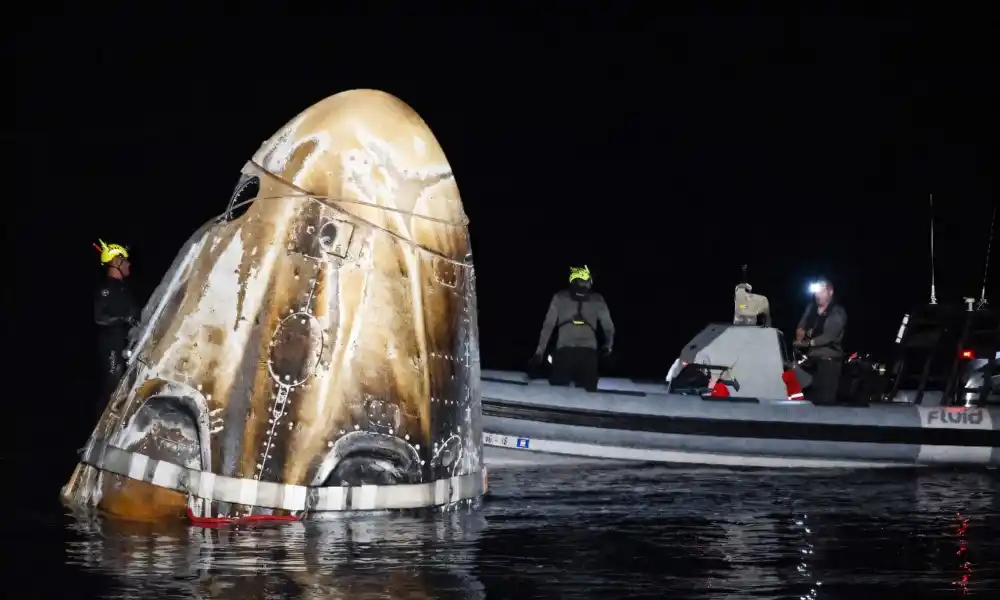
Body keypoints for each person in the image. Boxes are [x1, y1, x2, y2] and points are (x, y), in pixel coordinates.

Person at [531, 265, 615, 392]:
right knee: (588, 397)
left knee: (558, 394)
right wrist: (608, 346)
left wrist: (539, 352)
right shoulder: (597, 300)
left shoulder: (560, 297)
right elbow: (609, 327)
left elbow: (548, 326)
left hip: (564, 351)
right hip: (588, 353)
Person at [93, 239, 140, 404]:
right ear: (115, 262)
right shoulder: (106, 289)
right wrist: (123, 319)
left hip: (126, 343)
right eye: (124, 260)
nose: (128, 264)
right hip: (112, 346)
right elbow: (99, 317)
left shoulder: (125, 289)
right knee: (115, 380)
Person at [793, 278, 847, 405]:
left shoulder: (837, 312)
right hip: (809, 361)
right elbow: (801, 325)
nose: (817, 295)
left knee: (824, 402)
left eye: (821, 291)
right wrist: (799, 334)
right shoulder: (811, 308)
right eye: (816, 292)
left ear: (830, 292)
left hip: (828, 362)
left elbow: (829, 336)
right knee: (804, 399)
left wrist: (808, 343)